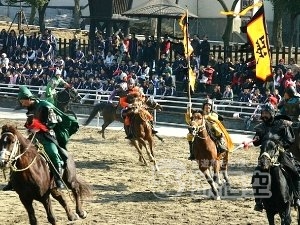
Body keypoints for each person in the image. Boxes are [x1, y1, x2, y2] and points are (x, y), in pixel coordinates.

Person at [3, 86, 79, 191]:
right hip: (34, 136)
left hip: (47, 135)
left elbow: (53, 122)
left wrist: (40, 127)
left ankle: (58, 180)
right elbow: (30, 122)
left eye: (22, 101)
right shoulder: (30, 108)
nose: (22, 104)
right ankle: (12, 181)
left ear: (28, 98)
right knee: (17, 153)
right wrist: (29, 125)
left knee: (53, 153)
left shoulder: (45, 106)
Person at [251, 103, 300, 212]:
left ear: (272, 113)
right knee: (256, 175)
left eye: (267, 113)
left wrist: (280, 145)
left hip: (280, 154)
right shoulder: (261, 127)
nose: (264, 116)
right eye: (263, 113)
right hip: (265, 155)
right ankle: (258, 202)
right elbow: (256, 142)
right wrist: (257, 139)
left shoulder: (282, 124)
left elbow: (290, 139)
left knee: (294, 172)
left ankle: (297, 198)